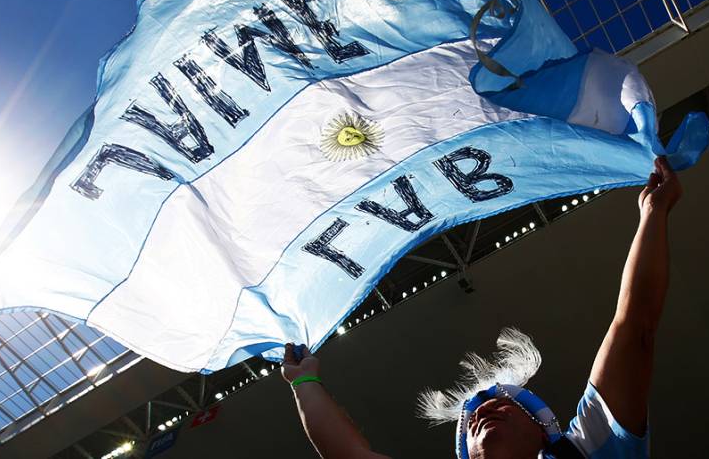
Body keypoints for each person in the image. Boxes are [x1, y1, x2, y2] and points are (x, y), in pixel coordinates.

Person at [281, 156, 682, 458]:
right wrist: (304, 382)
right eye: (473, 420)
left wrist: (654, 214)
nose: (484, 412)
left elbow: (634, 330)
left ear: (545, 432)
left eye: (504, 406)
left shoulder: (592, 447)